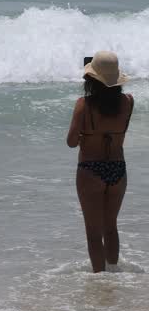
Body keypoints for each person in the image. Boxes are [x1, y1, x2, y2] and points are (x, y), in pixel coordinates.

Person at [66, 51, 133, 273]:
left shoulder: (83, 105)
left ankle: (100, 283)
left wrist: (87, 136)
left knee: (94, 233)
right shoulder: (128, 102)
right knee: (110, 228)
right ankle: (113, 274)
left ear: (92, 79)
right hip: (118, 168)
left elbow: (71, 142)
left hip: (90, 169)